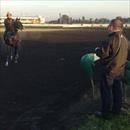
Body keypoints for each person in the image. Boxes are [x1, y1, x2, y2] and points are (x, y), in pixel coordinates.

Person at [95, 17, 130, 119]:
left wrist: (97, 49)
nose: (107, 28)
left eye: (108, 26)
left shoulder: (111, 39)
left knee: (106, 92)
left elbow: (103, 54)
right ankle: (116, 110)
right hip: (120, 70)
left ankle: (105, 113)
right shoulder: (126, 40)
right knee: (117, 91)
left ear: (111, 27)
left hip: (109, 71)